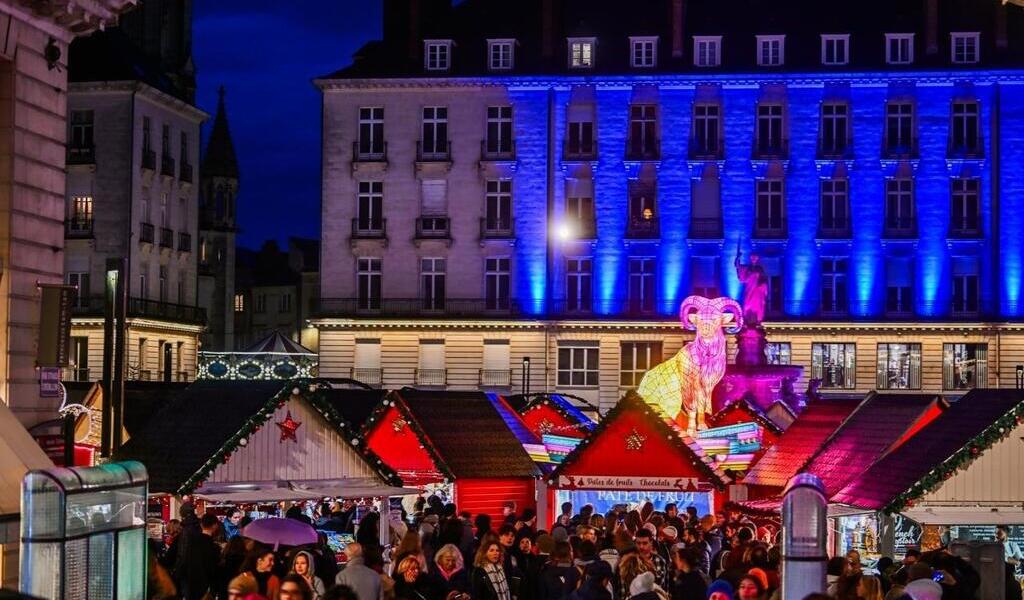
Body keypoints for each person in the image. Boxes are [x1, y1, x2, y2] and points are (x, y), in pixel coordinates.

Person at [178, 513, 222, 600]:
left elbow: (184, 562)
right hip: (206, 587)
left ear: (201, 525)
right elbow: (214, 569)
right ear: (215, 525)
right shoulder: (214, 547)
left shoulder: (191, 543)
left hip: (191, 584)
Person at [997, 525, 1023, 600]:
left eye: (999, 533)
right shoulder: (992, 546)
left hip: (1009, 577)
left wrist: (1016, 562)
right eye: (995, 533)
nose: (996, 535)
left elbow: (1020, 561)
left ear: (1006, 533)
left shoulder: (1013, 545)